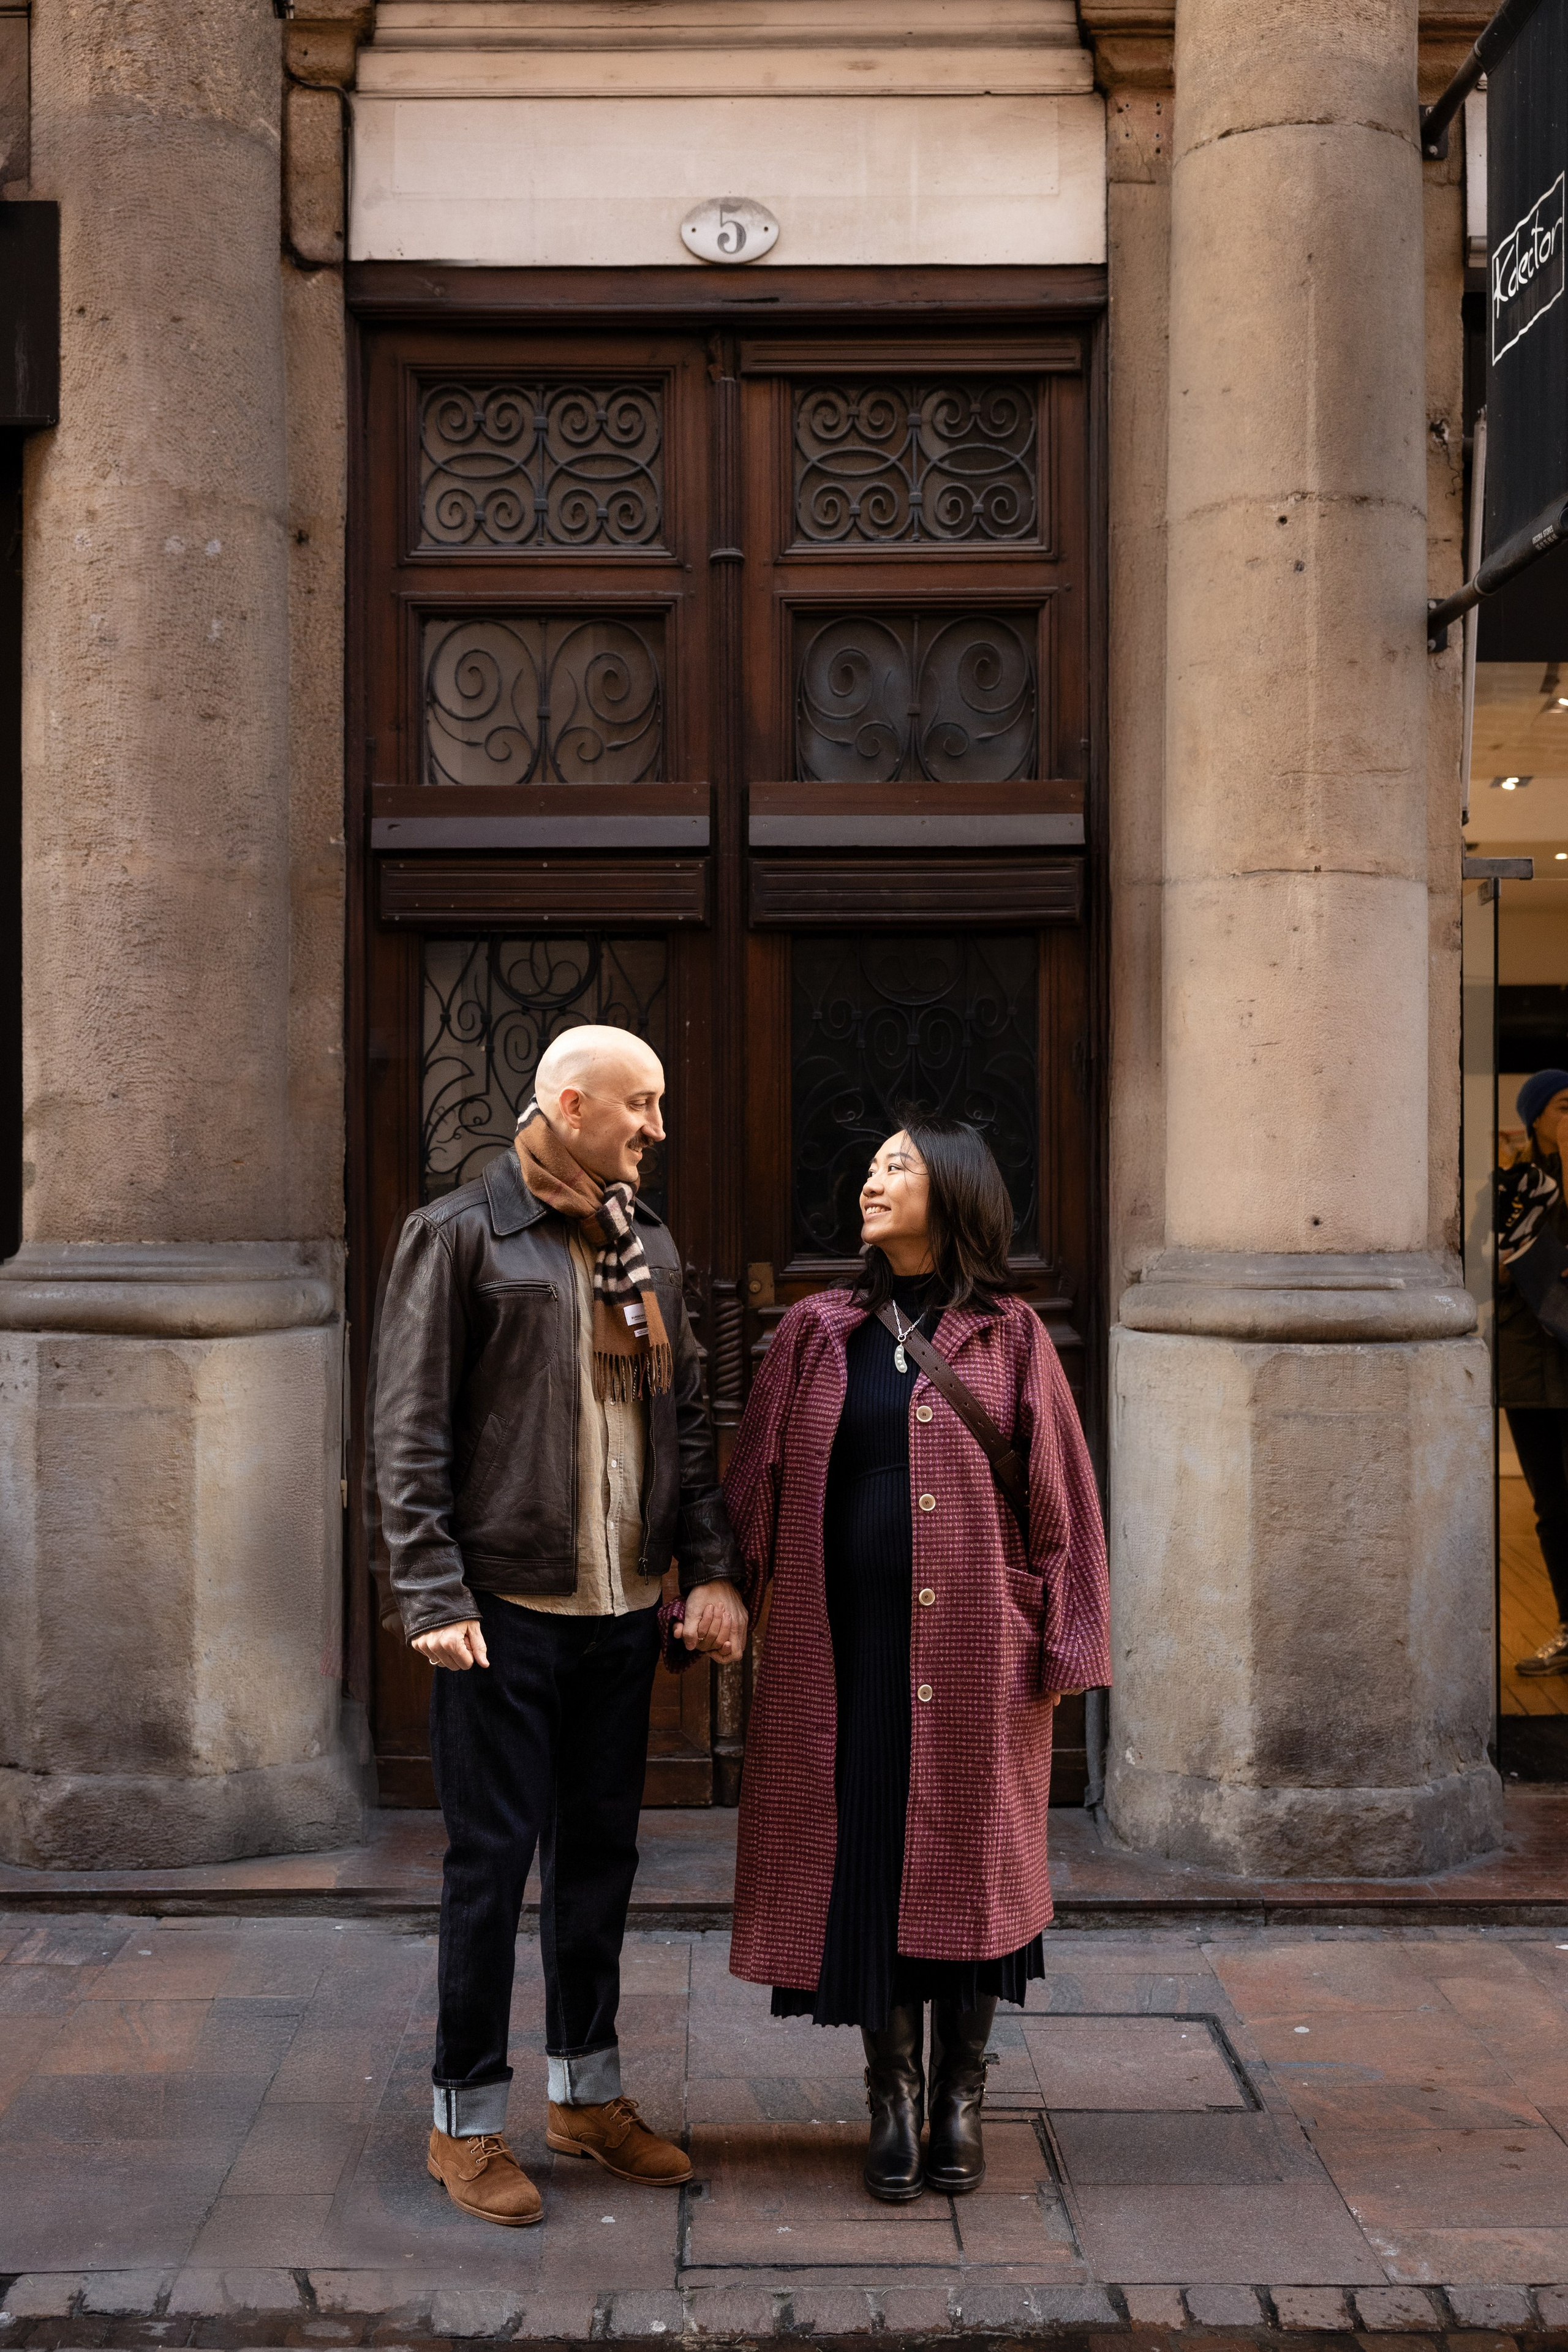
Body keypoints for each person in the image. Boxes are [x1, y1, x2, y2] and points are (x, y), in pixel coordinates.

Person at [373, 1025, 748, 2225]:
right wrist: (429, 1593)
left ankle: (585, 2098)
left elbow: (682, 1427)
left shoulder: (649, 1245)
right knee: (487, 1870)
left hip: (623, 1614)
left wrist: (709, 1571)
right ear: (571, 1103)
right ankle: (465, 2123)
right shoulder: (459, 1237)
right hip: (501, 1616)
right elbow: (407, 1433)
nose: (656, 1129)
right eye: (639, 1107)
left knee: (599, 1863)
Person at [720, 1117, 1110, 2203]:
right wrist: (708, 1587)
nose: (871, 1181)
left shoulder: (1014, 1335)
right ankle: (890, 2095)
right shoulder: (816, 1331)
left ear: (954, 1193)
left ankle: (962, 2098)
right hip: (841, 1649)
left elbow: (1063, 1502)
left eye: (898, 1167)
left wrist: (1069, 1634)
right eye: (874, 1166)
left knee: (972, 1861)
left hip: (983, 1647)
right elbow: (751, 1481)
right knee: (873, 1859)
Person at [1498, 1067, 1568, 1677]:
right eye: (1565, 1107)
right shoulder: (1514, 1186)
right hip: (1528, 1363)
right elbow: (1488, 1269)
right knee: (1551, 1505)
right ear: (1537, 1116)